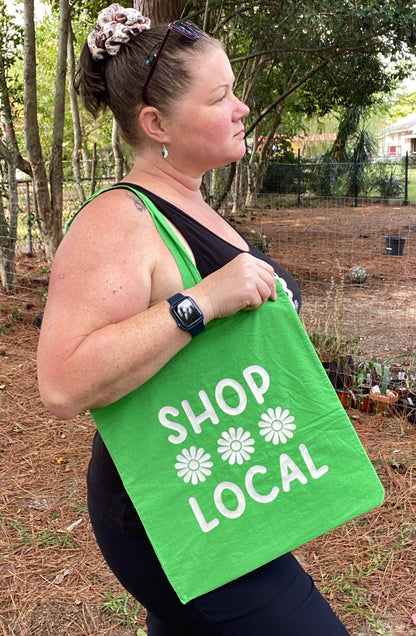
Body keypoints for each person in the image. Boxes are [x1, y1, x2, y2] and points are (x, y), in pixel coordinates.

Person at [37, 4, 350, 635]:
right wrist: (200, 303)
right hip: (167, 505)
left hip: (223, 491)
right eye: (221, 97)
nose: (241, 109)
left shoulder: (193, 201)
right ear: (157, 124)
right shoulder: (117, 219)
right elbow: (62, 381)